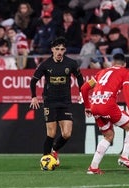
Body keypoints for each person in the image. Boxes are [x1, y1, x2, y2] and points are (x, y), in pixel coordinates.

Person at [29, 37, 84, 166]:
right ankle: (45, 160)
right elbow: (33, 81)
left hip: (65, 102)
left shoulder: (71, 63)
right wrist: (34, 96)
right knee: (51, 133)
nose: (59, 52)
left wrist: (81, 93)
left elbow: (80, 78)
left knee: (67, 134)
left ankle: (54, 150)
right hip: (50, 101)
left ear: (65, 50)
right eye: (57, 49)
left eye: (62, 49)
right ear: (52, 49)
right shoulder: (46, 64)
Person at [80, 53, 129, 174]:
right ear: (124, 64)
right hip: (108, 105)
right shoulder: (125, 72)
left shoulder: (101, 73)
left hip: (94, 106)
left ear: (112, 63)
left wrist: (87, 107)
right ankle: (125, 157)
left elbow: (84, 88)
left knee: (108, 136)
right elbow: (127, 90)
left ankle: (93, 167)